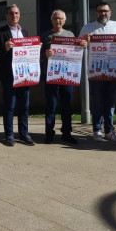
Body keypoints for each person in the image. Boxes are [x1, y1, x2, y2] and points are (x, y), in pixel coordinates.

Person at [79, 2, 116, 142]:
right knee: (97, 102)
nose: (103, 13)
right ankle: (97, 130)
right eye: (100, 11)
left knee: (110, 103)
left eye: (106, 11)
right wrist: (84, 41)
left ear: (110, 12)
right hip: (96, 72)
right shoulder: (88, 28)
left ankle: (109, 131)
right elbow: (78, 46)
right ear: (96, 13)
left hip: (113, 71)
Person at [0, 4, 34, 146]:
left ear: (19, 15)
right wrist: (4, 48)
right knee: (10, 106)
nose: (14, 15)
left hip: (25, 75)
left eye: (16, 13)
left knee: (25, 106)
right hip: (9, 76)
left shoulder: (25, 32)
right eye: (11, 13)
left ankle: (24, 134)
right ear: (6, 16)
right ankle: (9, 135)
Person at [40, 9, 86, 144]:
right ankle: (49, 134)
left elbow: (77, 50)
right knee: (51, 106)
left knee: (67, 106)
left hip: (67, 76)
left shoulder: (70, 35)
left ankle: (67, 133)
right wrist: (45, 54)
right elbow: (38, 53)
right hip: (52, 76)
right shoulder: (45, 36)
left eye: (60, 18)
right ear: (51, 21)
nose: (58, 21)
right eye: (55, 18)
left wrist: (83, 45)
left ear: (64, 21)